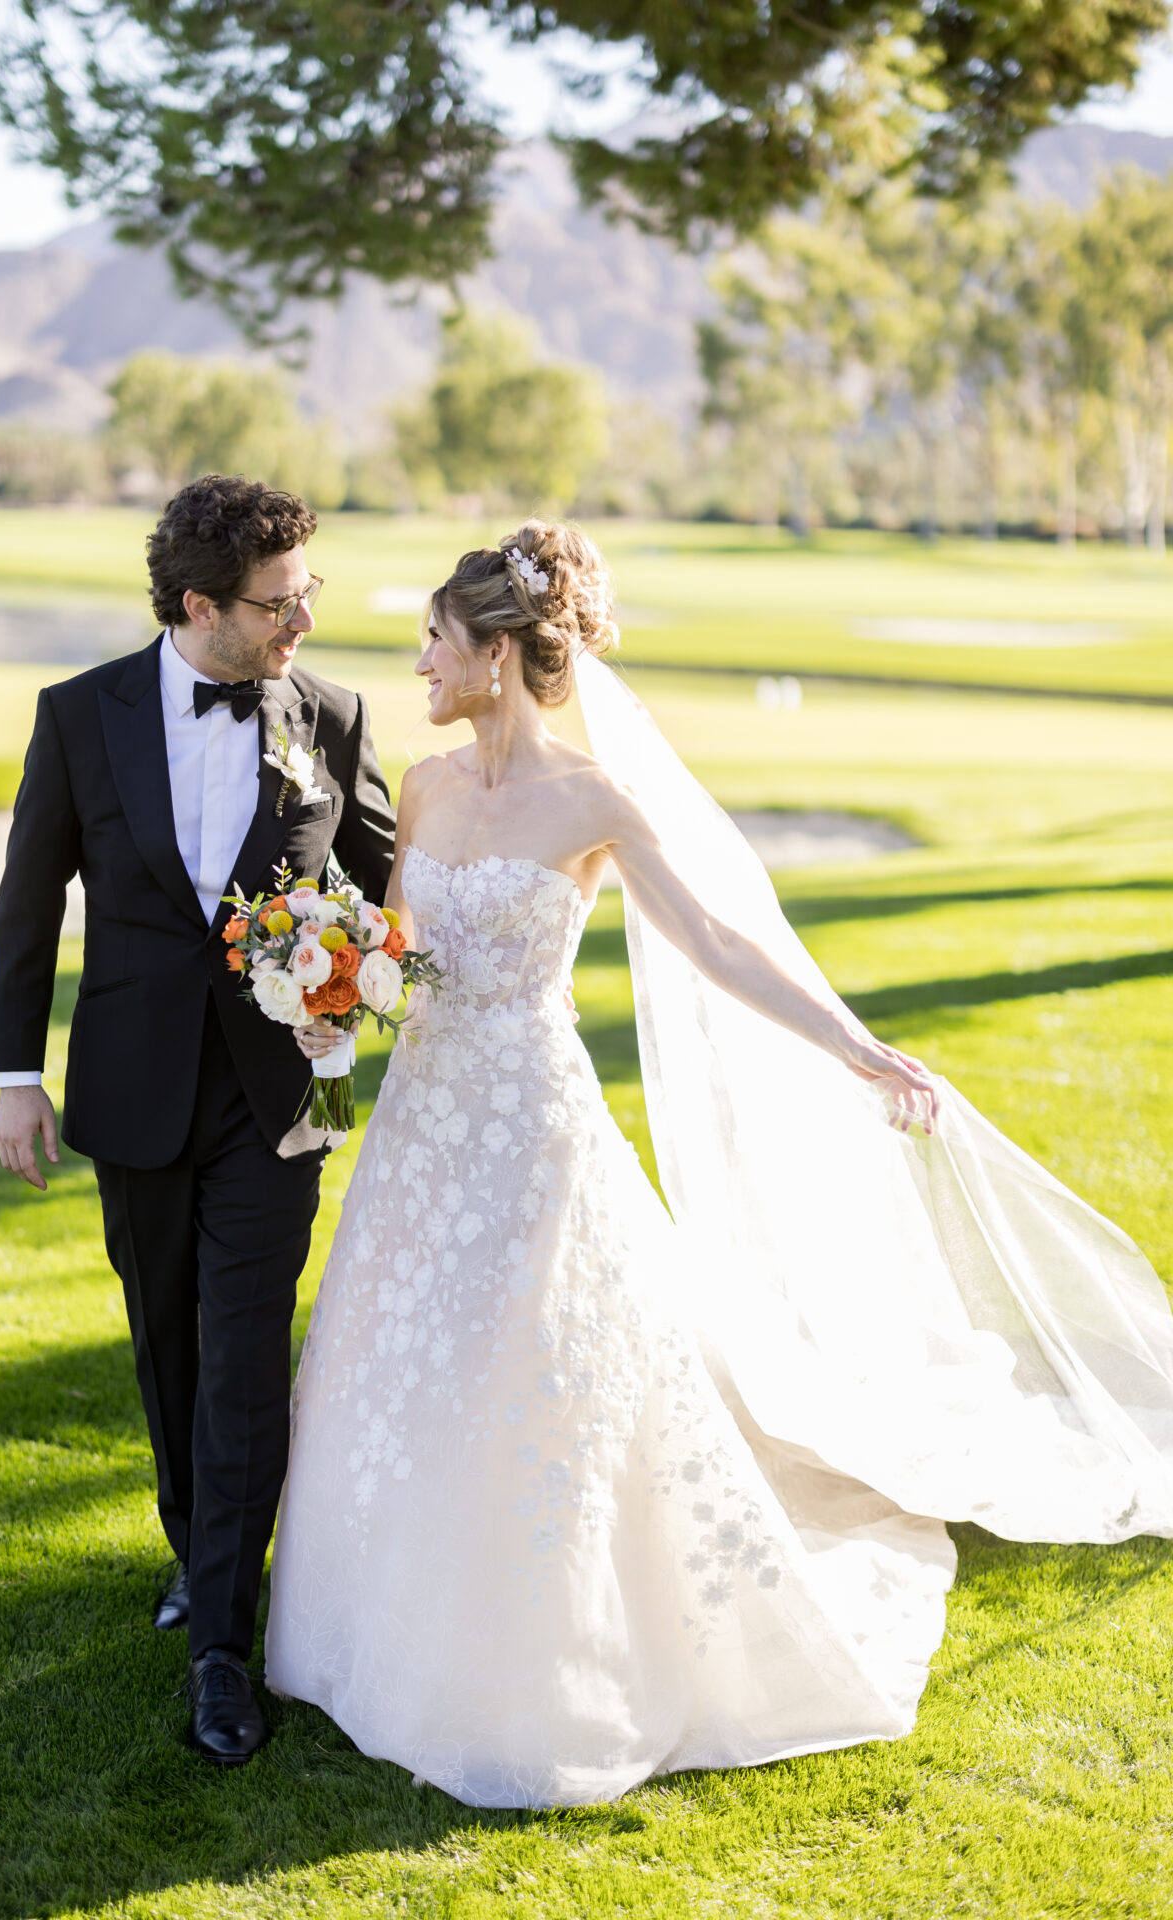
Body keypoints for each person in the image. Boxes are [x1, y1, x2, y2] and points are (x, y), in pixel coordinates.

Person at [265, 518, 1173, 1808]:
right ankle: (375, 1617)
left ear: (503, 655)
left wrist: (859, 1048)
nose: (419, 662)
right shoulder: (422, 787)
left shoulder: (594, 801)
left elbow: (716, 943)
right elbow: (405, 948)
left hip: (529, 1121)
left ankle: (550, 1647)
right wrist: (335, 978)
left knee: (534, 1360)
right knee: (405, 1347)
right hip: (425, 1120)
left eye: (436, 641)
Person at [0, 474, 396, 1765]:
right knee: (165, 1341)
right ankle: (197, 1547)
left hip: (284, 1094)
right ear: (197, 605)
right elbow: (27, 899)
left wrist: (366, 981)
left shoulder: (331, 715)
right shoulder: (79, 714)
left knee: (242, 1352)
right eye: (282, 603)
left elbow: (389, 886)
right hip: (133, 1084)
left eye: (309, 592)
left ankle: (224, 1642)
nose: (304, 622)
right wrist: (14, 1076)